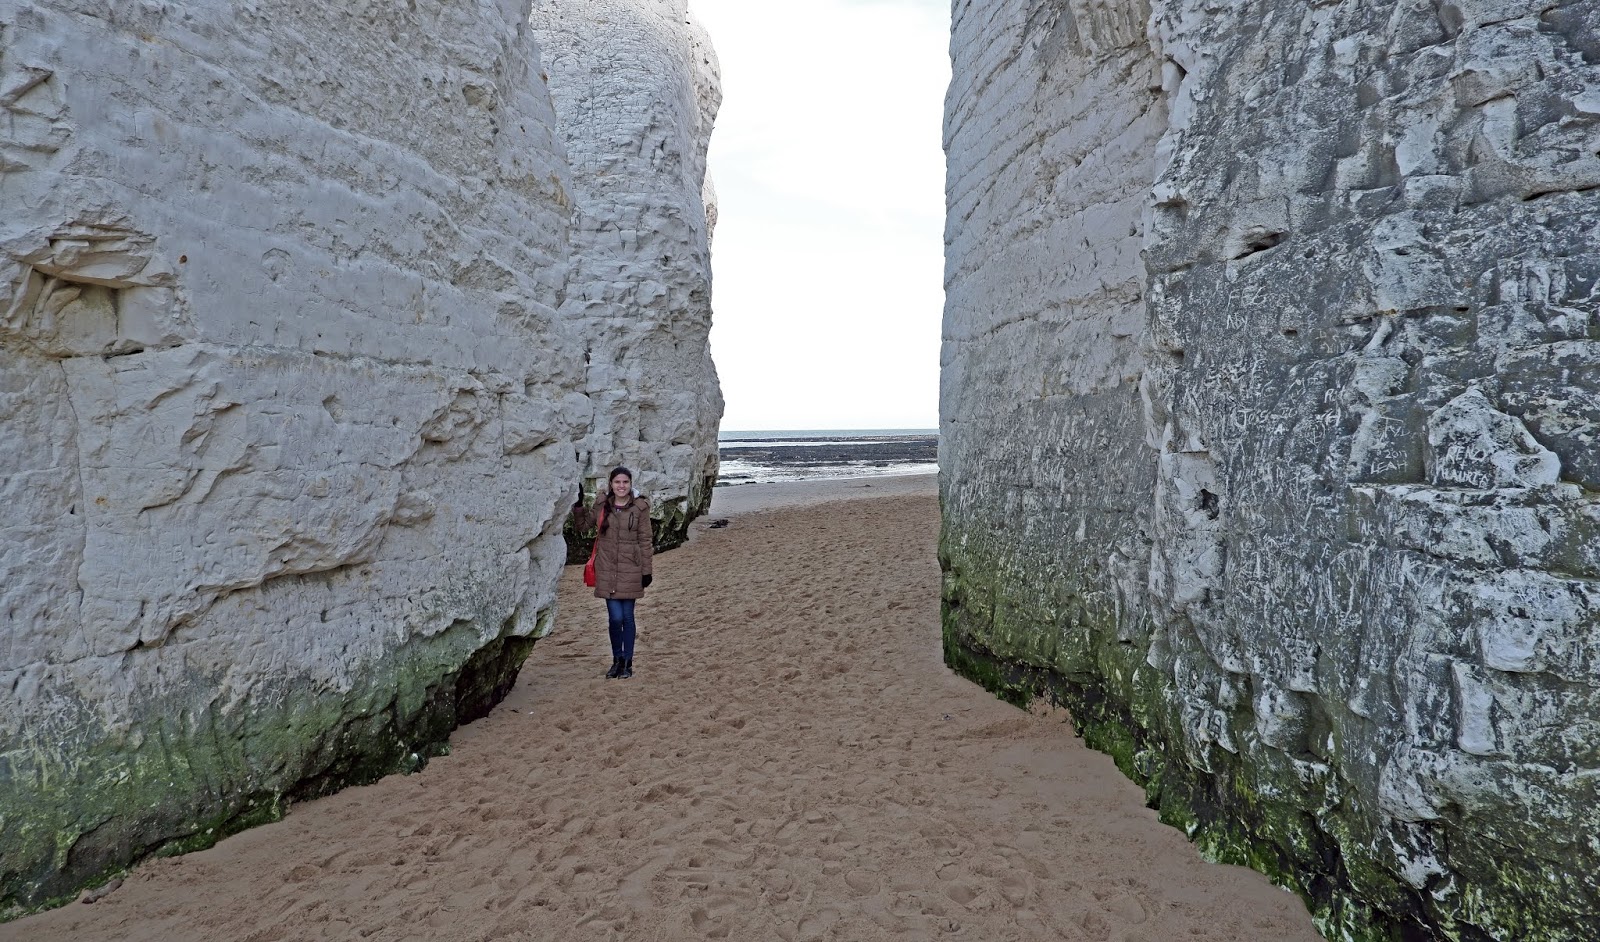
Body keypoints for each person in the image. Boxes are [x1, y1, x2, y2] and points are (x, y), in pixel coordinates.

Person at [572, 466, 654, 679]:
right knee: (615, 618)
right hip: (607, 568)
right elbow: (582, 527)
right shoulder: (602, 504)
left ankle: (627, 663)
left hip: (631, 569)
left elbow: (645, 541)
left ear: (630, 484)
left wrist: (647, 571)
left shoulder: (640, 508)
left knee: (627, 616)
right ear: (611, 484)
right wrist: (578, 504)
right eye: (617, 482)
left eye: (625, 482)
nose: (621, 486)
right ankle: (616, 659)